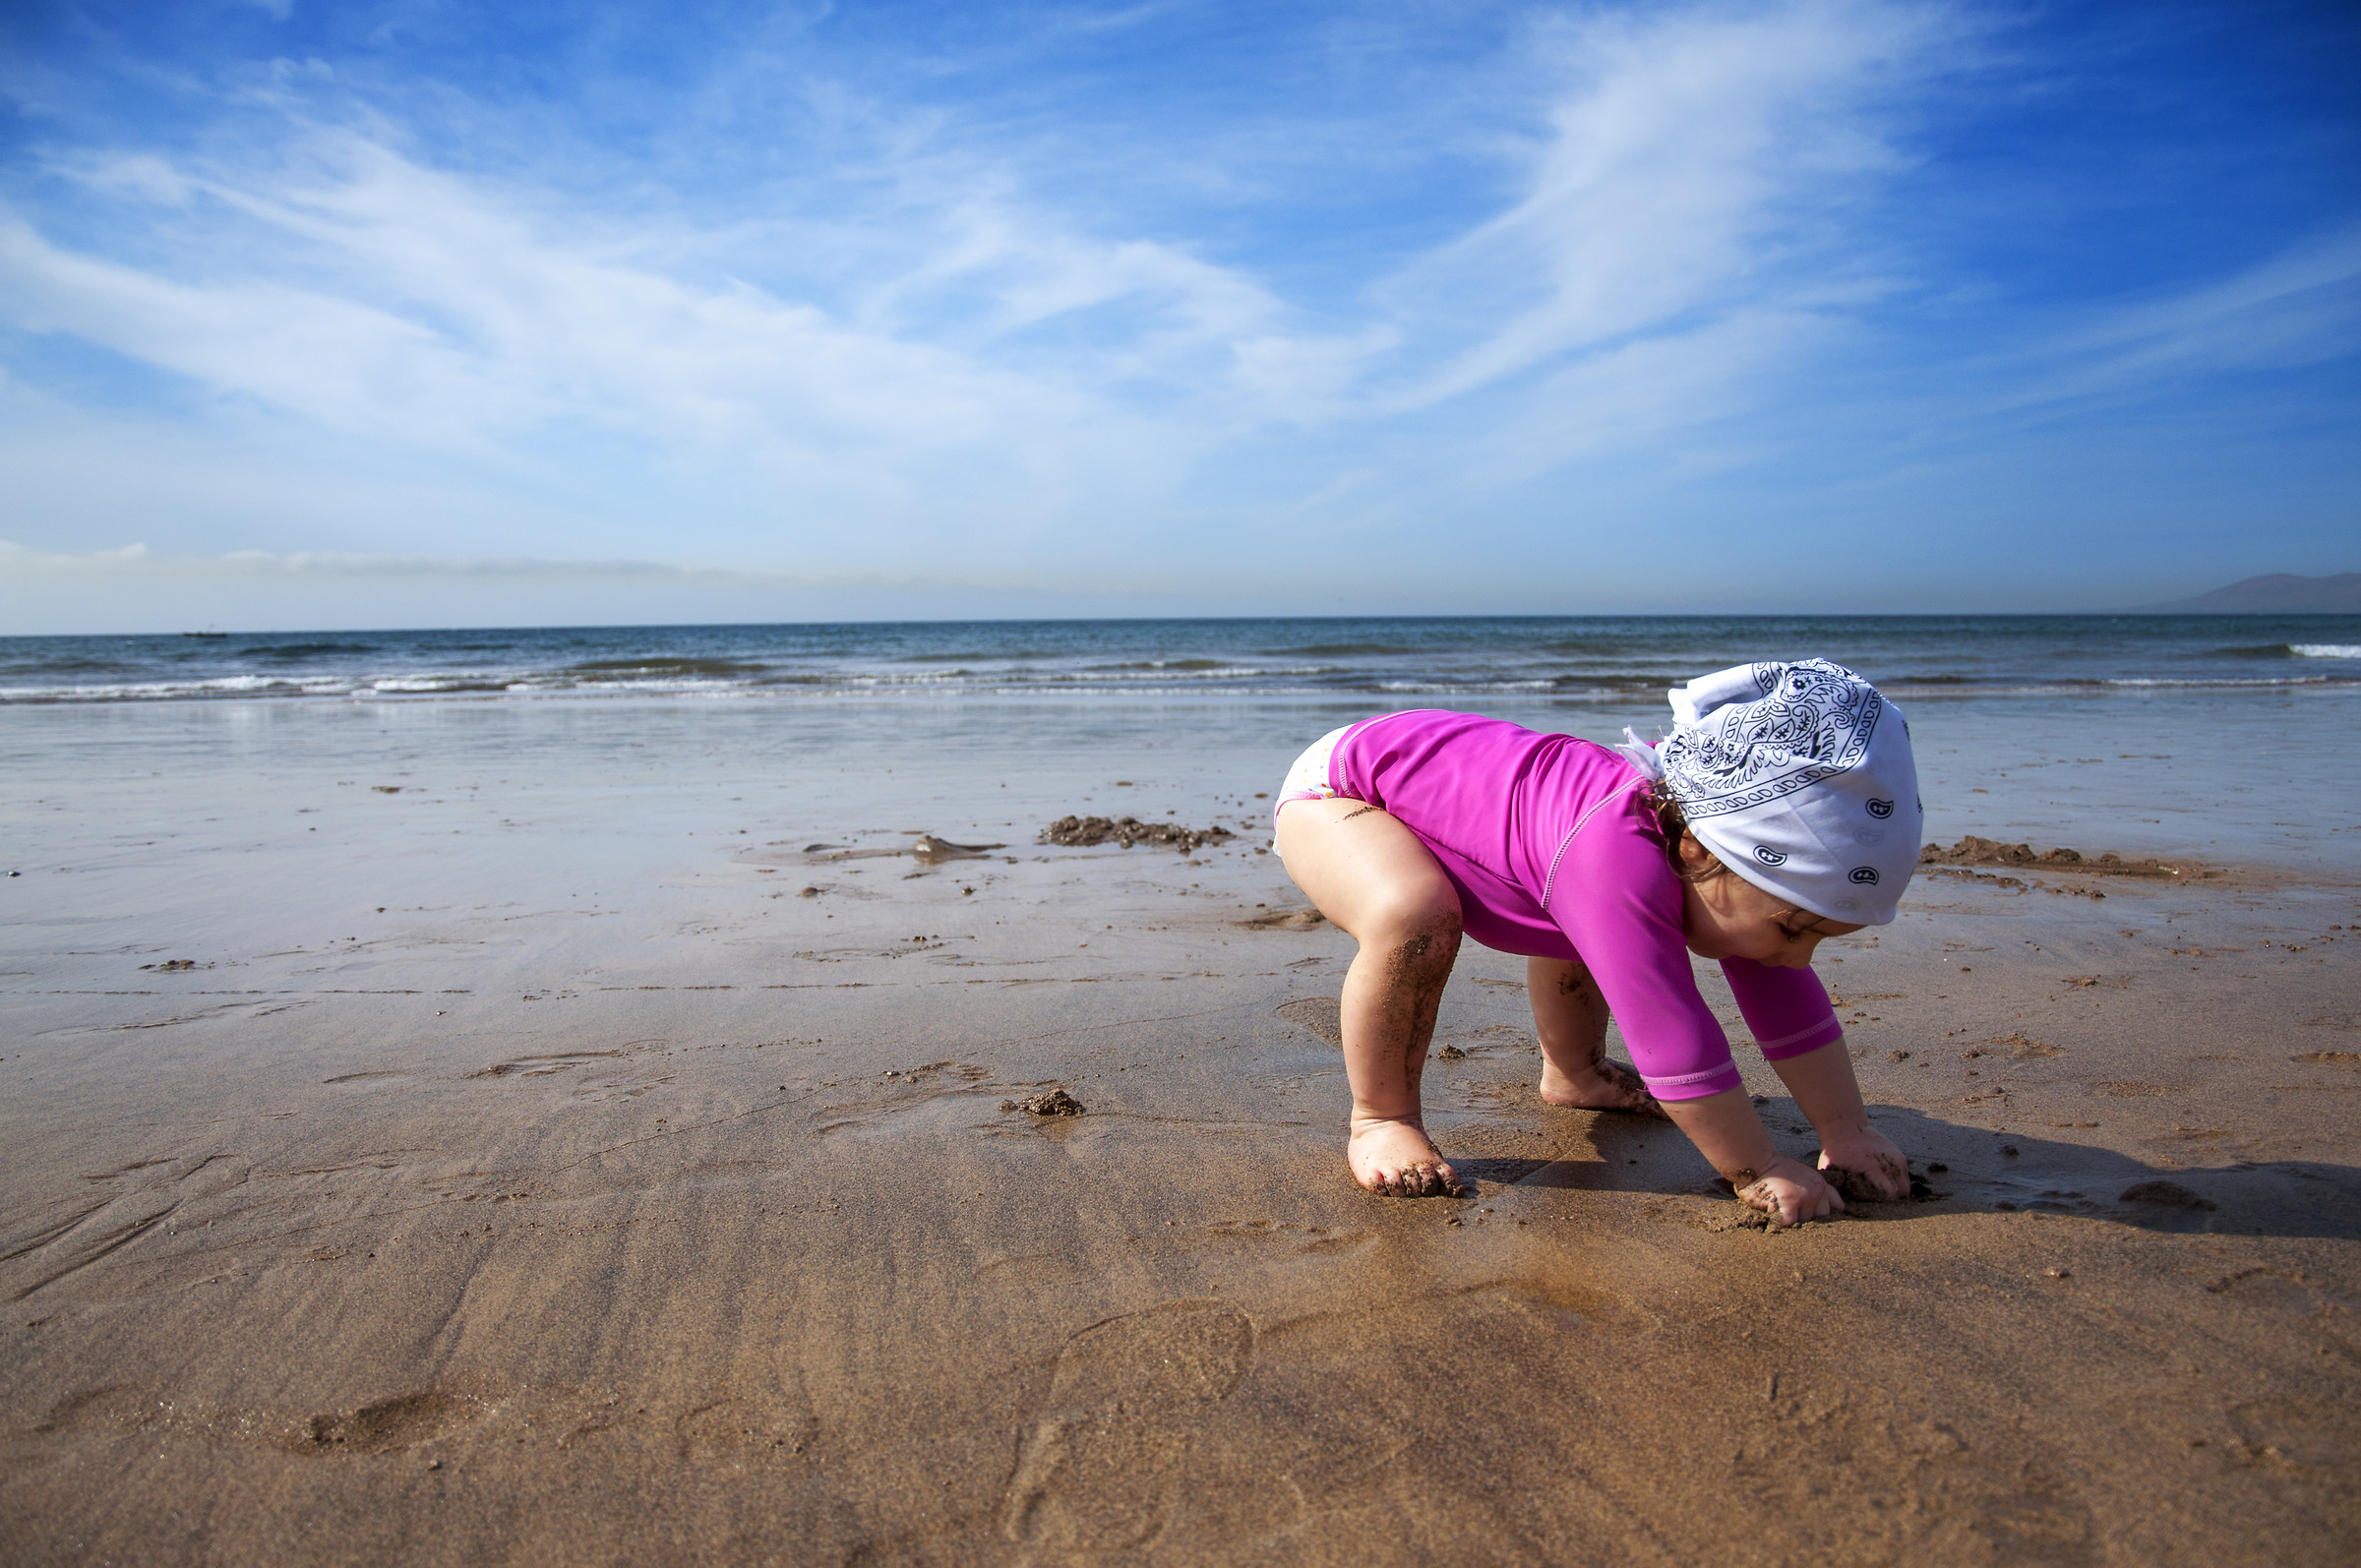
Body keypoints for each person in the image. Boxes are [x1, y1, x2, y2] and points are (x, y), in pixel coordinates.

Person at [1271, 660, 1922, 1228]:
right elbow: (1670, 1034)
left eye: (1820, 937)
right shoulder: (1621, 863)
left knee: (1595, 920)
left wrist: (1845, 1130)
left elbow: (1787, 999)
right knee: (1415, 916)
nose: (1798, 956)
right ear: (1698, 849)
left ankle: (1576, 1072)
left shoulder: (1723, 864)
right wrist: (1759, 1166)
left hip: (1512, 829)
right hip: (1342, 789)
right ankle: (1383, 1118)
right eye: (1793, 930)